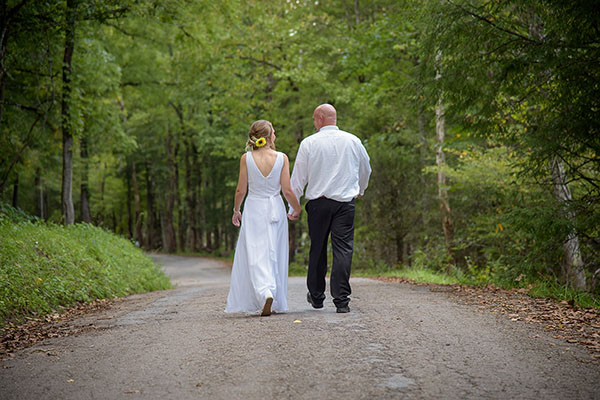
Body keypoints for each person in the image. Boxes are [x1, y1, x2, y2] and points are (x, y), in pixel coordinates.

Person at [290, 104, 371, 313]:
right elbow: (365, 167)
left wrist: (293, 205)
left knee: (317, 248)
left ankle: (317, 297)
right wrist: (360, 188)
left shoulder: (309, 143)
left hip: (318, 204)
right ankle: (341, 300)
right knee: (343, 250)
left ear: (320, 118)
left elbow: (298, 177)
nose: (313, 124)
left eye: (314, 120)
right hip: (345, 204)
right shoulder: (353, 141)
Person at [225, 120, 301, 316]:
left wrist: (236, 209)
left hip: (254, 207)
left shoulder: (246, 158)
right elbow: (287, 189)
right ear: (268, 137)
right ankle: (272, 297)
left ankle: (264, 292)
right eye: (274, 132)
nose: (275, 135)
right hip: (275, 206)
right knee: (274, 251)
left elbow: (241, 189)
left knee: (255, 251)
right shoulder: (282, 157)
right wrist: (296, 207)